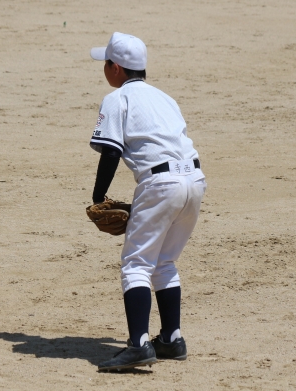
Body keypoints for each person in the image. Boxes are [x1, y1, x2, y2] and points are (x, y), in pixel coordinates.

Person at [88, 32, 207, 372]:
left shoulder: (117, 99)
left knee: (136, 265)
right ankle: (171, 338)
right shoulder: (165, 98)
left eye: (105, 63)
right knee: (164, 262)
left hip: (161, 184)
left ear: (115, 67)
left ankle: (139, 344)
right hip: (195, 180)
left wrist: (98, 196)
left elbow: (111, 151)